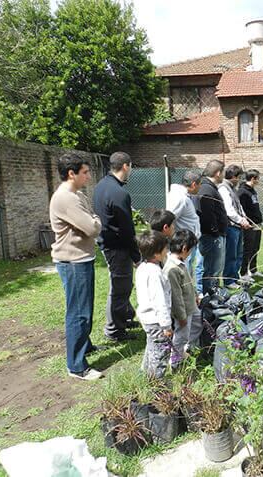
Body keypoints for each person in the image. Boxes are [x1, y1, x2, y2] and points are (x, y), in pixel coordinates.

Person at [50, 153, 102, 381]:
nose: (89, 177)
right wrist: (95, 221)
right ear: (71, 173)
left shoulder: (76, 194)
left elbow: (90, 219)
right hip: (73, 261)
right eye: (85, 172)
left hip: (81, 258)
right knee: (78, 312)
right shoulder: (66, 198)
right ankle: (77, 365)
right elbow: (92, 227)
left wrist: (93, 220)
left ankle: (85, 346)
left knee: (85, 308)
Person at [93, 152, 141, 343]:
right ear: (126, 167)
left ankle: (126, 317)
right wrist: (136, 256)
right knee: (120, 287)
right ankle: (114, 330)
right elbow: (126, 229)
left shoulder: (101, 185)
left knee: (123, 284)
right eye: (131, 167)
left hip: (108, 243)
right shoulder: (119, 193)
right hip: (117, 247)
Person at [135, 230, 173, 378]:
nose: (167, 252)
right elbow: (159, 302)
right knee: (161, 353)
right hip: (157, 321)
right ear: (157, 254)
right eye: (165, 249)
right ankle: (157, 385)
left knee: (151, 348)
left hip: (146, 318)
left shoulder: (142, 268)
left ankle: (145, 374)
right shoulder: (155, 273)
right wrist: (166, 326)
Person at [163, 230, 201, 368]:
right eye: (191, 250)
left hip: (192, 306)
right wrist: (181, 316)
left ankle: (187, 348)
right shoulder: (172, 269)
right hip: (184, 310)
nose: (191, 253)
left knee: (197, 324)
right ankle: (175, 361)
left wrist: (195, 294)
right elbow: (176, 296)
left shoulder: (181, 262)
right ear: (185, 248)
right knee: (181, 335)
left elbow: (189, 282)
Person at [218, 164, 250, 289]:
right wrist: (241, 220)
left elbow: (238, 206)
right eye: (239, 177)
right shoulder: (224, 188)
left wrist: (245, 217)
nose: (240, 180)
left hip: (238, 226)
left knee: (238, 253)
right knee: (231, 254)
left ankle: (234, 277)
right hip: (231, 226)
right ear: (233, 177)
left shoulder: (233, 188)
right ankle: (228, 280)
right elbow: (229, 210)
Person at [198, 160, 227, 293]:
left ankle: (212, 293)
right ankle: (208, 296)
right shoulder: (206, 189)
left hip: (214, 235)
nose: (223, 176)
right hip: (211, 237)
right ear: (218, 173)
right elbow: (206, 214)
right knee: (210, 268)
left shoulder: (209, 187)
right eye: (223, 173)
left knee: (214, 268)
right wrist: (215, 232)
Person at [167, 170, 202, 278]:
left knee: (188, 271)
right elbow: (169, 218)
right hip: (183, 244)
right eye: (199, 185)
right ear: (194, 184)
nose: (200, 188)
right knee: (183, 272)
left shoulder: (184, 196)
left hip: (188, 242)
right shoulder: (180, 198)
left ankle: (189, 293)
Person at [237, 169, 263, 281]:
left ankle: (253, 269)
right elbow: (241, 209)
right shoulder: (242, 192)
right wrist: (247, 222)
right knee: (248, 248)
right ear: (253, 179)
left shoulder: (252, 191)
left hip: (257, 223)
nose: (259, 181)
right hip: (249, 224)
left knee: (255, 248)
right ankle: (244, 272)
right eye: (258, 178)